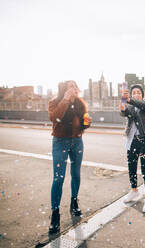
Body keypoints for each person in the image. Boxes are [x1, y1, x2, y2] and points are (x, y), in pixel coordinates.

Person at [48, 80, 91, 234]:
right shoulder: (55, 102)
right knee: (58, 178)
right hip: (60, 141)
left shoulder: (80, 103)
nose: (73, 89)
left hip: (77, 141)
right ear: (63, 90)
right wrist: (65, 100)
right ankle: (55, 214)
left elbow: (83, 122)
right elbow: (55, 118)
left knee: (76, 174)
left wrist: (87, 123)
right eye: (69, 87)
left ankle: (74, 203)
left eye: (74, 86)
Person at [120, 84, 145, 213]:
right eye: (133, 92)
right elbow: (122, 112)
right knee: (132, 167)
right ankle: (134, 190)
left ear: (142, 95)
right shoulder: (130, 107)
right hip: (132, 141)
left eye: (138, 92)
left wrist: (129, 99)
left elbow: (144, 107)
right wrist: (123, 101)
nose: (136, 94)